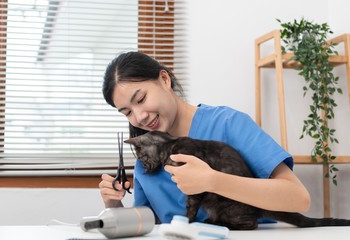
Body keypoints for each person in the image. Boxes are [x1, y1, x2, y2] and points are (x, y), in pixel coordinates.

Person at [99, 51, 311, 224]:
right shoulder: (147, 156)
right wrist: (114, 205)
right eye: (127, 112)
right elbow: (146, 223)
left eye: (142, 99)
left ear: (164, 79)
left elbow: (298, 198)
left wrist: (213, 181)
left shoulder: (228, 124)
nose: (140, 117)